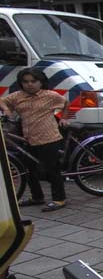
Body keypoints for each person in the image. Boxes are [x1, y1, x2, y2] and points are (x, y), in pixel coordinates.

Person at [0, 68, 69, 212]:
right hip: (28, 138)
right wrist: (6, 109)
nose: (29, 84)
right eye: (25, 81)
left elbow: (65, 102)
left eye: (33, 81)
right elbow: (2, 100)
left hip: (49, 137)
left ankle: (59, 199)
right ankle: (37, 197)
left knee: (52, 169)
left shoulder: (50, 96)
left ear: (40, 82)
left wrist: (64, 118)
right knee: (30, 169)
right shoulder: (17, 96)